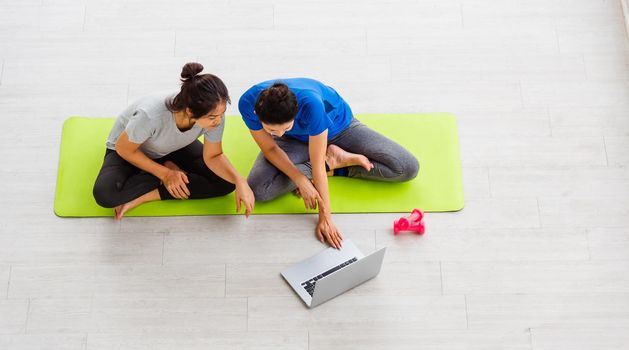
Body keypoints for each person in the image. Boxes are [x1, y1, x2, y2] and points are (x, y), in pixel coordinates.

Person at [238, 78, 418, 248]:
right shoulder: (247, 103)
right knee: (259, 190)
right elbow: (271, 149)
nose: (278, 135)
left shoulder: (312, 105)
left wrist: (326, 217)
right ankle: (333, 162)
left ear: (296, 112)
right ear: (256, 113)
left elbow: (316, 166)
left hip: (339, 129)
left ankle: (335, 159)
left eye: (286, 127)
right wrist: (300, 179)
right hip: (294, 141)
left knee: (406, 168)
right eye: (271, 130)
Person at [93, 62, 254, 219]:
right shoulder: (150, 115)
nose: (218, 121)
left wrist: (240, 181)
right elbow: (124, 149)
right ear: (190, 111)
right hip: (132, 149)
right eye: (212, 117)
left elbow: (213, 156)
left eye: (222, 113)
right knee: (105, 195)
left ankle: (149, 194)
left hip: (174, 146)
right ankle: (165, 171)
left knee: (227, 181)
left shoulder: (215, 112)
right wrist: (166, 174)